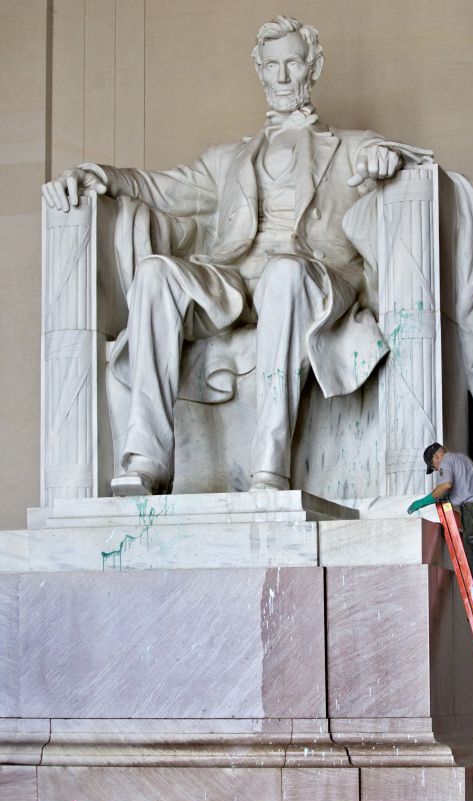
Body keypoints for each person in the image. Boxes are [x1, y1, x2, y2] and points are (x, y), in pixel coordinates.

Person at [41, 16, 419, 496]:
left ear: (314, 67)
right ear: (259, 70)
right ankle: (146, 460)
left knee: (285, 273)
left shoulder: (350, 145)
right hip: (236, 281)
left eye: (294, 63)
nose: (282, 77)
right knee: (157, 272)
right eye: (272, 66)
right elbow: (161, 187)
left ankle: (270, 465)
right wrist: (99, 176)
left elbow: (403, 157)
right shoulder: (228, 159)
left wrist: (385, 161)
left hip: (316, 280)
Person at [407, 442, 473, 621]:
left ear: (435, 457)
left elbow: (445, 486)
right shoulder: (462, 459)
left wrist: (421, 502)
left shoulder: (446, 462)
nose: (436, 470)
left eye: (433, 467)